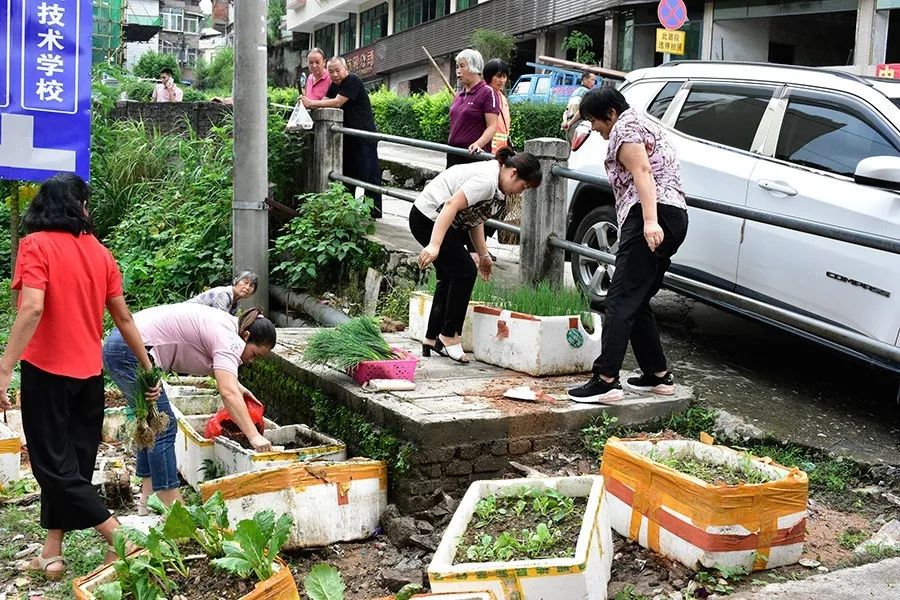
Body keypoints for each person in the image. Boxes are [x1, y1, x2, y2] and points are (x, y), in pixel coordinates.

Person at [0, 173, 158, 579]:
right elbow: (122, 317)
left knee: (55, 468)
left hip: (47, 373)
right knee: (72, 466)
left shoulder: (34, 245)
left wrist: (3, 369)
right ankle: (52, 554)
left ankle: (121, 539)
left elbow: (31, 308)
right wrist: (148, 367)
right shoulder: (101, 253)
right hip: (89, 377)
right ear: (77, 207)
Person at [567, 88, 688, 404]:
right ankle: (657, 376)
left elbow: (643, 172)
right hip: (673, 215)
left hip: (652, 214)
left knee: (619, 298)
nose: (594, 128)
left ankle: (606, 380)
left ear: (610, 113)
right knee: (637, 299)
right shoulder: (639, 122)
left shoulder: (625, 128)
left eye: (595, 120)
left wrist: (649, 221)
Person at [103, 305, 277, 512]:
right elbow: (227, 392)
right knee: (163, 427)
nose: (251, 360)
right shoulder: (230, 339)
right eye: (255, 354)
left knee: (149, 422)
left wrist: (239, 388)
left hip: (124, 343)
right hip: (130, 349)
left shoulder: (228, 327)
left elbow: (224, 376)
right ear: (246, 336)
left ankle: (146, 500)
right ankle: (175, 511)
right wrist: (254, 436)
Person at [411, 148, 543, 363]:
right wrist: (435, 245)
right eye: (523, 186)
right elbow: (451, 205)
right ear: (513, 173)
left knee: (451, 275)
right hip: (429, 218)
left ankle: (432, 337)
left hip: (434, 218)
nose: (521, 192)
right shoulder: (487, 180)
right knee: (464, 272)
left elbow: (475, 219)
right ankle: (449, 336)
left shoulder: (494, 179)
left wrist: (483, 255)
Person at [303, 57, 382, 219]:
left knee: (369, 177)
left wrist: (310, 103)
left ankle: (373, 214)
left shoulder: (352, 80)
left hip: (364, 138)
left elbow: (337, 102)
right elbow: (325, 101)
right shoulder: (335, 85)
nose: (334, 74)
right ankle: (348, 212)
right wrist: (305, 105)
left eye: (338, 70)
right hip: (348, 139)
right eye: (331, 71)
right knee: (347, 177)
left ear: (346, 69)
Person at [447, 49, 499, 169]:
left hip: (474, 156)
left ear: (474, 67)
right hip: (453, 154)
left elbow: (492, 126)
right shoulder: (459, 95)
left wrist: (477, 144)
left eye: (462, 66)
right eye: (457, 67)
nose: (458, 71)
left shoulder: (487, 92)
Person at [187, 271, 259, 315]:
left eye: (251, 286)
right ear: (236, 281)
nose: (247, 287)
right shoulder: (224, 294)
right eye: (245, 282)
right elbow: (221, 320)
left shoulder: (236, 302)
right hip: (184, 315)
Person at [561, 72, 597, 141]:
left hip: (568, 124)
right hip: (577, 123)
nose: (594, 82)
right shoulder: (587, 92)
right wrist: (570, 123)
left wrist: (565, 121)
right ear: (585, 80)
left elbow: (566, 111)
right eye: (592, 80)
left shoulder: (575, 92)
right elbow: (582, 110)